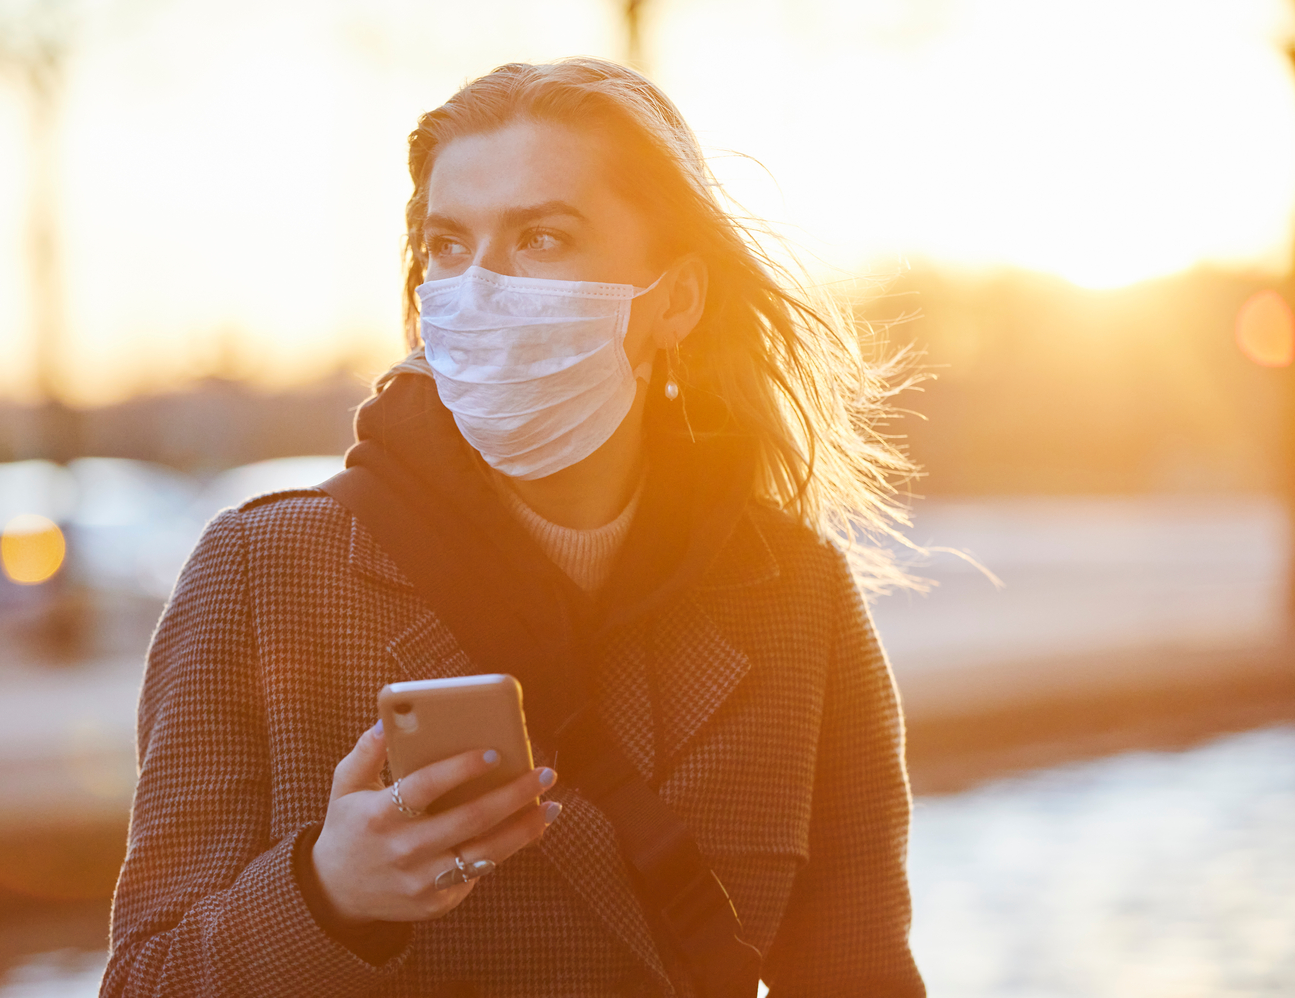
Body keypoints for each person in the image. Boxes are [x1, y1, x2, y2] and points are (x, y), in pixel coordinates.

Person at [101, 58, 925, 997]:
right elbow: (144, 981)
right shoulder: (262, 573)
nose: (480, 287)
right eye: (449, 244)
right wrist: (327, 894)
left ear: (677, 300)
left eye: (542, 237)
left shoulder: (793, 591)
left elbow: (863, 975)